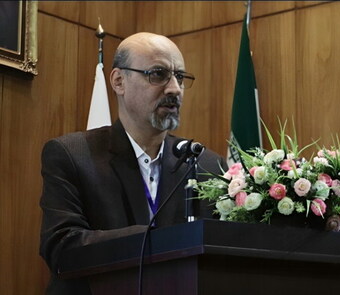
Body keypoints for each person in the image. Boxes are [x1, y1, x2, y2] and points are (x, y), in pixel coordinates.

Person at [39, 32, 226, 294]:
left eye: (180, 77)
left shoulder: (207, 164)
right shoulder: (72, 155)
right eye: (158, 74)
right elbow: (62, 247)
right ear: (118, 81)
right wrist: (158, 241)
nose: (174, 89)